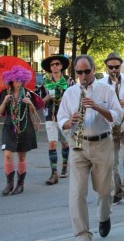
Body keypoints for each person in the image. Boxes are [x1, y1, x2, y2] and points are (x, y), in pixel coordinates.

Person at [57, 55, 123, 240]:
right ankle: (82, 235)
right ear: (75, 72)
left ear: (93, 70)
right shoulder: (70, 93)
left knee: (104, 191)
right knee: (77, 193)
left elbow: (117, 117)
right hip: (78, 143)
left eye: (87, 71)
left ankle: (104, 216)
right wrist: (68, 122)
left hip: (102, 143)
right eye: (79, 72)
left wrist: (97, 107)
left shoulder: (106, 90)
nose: (83, 75)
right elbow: (60, 117)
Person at [0, 65, 44, 196]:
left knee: (22, 156)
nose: (19, 83)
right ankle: (9, 184)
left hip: (25, 127)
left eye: (21, 80)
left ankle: (20, 185)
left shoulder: (28, 93)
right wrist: (4, 102)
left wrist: (30, 103)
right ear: (11, 80)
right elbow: (0, 112)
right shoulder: (5, 93)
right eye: (17, 80)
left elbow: (34, 111)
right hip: (9, 126)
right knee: (8, 154)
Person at [100, 53, 124, 205]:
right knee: (112, 162)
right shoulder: (101, 83)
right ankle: (117, 191)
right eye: (111, 67)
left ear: (121, 66)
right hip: (110, 126)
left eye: (117, 67)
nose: (114, 70)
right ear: (107, 67)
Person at [40, 54, 75, 185]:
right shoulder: (45, 82)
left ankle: (64, 165)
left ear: (61, 66)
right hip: (50, 116)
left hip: (65, 117)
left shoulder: (69, 81)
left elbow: (74, 97)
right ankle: (54, 173)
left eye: (57, 64)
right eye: (52, 65)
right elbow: (40, 103)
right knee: (52, 143)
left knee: (65, 143)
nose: (54, 66)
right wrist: (46, 99)